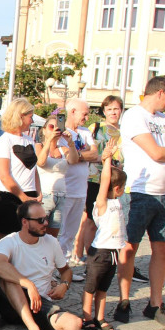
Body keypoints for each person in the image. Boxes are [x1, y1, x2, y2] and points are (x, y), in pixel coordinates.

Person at [114, 76, 165, 328]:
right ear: (160, 93)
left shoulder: (164, 120)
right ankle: (124, 300)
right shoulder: (134, 116)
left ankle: (155, 303)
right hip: (138, 191)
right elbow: (157, 152)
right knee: (129, 247)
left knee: (161, 248)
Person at [0, 200, 90, 330]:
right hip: (11, 304)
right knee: (10, 279)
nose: (46, 223)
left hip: (40, 303)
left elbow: (66, 270)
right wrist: (29, 285)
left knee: (74, 322)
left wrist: (64, 285)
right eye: (40, 220)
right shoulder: (10, 241)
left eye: (46, 219)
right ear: (25, 222)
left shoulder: (51, 242)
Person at [75, 95, 123, 265]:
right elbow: (86, 151)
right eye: (109, 109)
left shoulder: (124, 131)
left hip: (115, 180)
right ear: (104, 111)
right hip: (95, 178)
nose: (113, 112)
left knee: (110, 218)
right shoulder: (95, 128)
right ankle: (90, 255)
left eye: (116, 109)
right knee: (91, 218)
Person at [81, 158, 126, 330]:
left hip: (114, 253)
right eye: (123, 187)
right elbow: (105, 180)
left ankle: (100, 317)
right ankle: (87, 317)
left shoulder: (117, 202)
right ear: (117, 189)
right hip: (100, 252)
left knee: (103, 288)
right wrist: (106, 159)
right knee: (90, 287)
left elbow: (111, 178)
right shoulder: (102, 205)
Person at [0, 98, 42, 238]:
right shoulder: (4, 141)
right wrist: (22, 197)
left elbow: (34, 169)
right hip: (9, 197)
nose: (32, 121)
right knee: (9, 240)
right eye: (30, 117)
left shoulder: (29, 140)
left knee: (31, 238)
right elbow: (3, 175)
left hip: (30, 194)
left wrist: (38, 192)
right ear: (20, 116)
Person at [58, 99, 97, 261]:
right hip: (65, 189)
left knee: (71, 232)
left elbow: (95, 155)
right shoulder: (61, 132)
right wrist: (82, 152)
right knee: (59, 231)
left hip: (81, 190)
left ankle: (64, 264)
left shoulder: (85, 132)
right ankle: (52, 266)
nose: (87, 118)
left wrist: (77, 154)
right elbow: (68, 157)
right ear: (72, 111)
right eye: (85, 114)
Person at [35, 118, 78, 239]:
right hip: (45, 194)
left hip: (61, 195)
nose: (55, 129)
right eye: (51, 127)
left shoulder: (63, 149)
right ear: (43, 130)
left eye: (57, 127)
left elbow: (74, 160)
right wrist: (49, 141)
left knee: (53, 235)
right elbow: (41, 162)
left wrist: (70, 143)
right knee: (38, 232)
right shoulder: (39, 146)